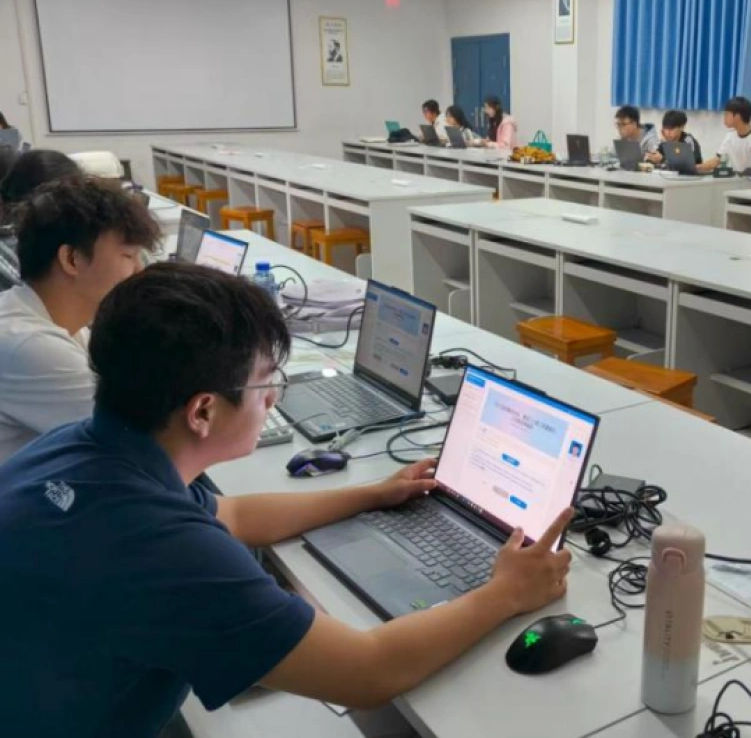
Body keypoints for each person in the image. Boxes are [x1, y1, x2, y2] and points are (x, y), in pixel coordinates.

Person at [0, 261, 574, 737]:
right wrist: (506, 592)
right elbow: (367, 672)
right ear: (203, 410)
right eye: (265, 383)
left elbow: (233, 514)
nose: (273, 399)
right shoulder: (158, 545)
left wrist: (373, 494)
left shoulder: (84, 446)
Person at [0, 177, 159, 462]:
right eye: (128, 255)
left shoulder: (53, 319)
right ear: (71, 259)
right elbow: (149, 439)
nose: (139, 271)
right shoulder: (30, 346)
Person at [698, 97, 751, 180]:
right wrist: (695, 168)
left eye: (726, 114)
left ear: (737, 116)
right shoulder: (730, 136)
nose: (724, 118)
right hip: (739, 182)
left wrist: (738, 176)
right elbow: (717, 161)